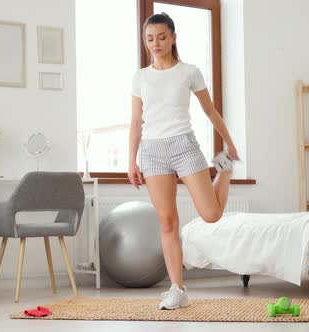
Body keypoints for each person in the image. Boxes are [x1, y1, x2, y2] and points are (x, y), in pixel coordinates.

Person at [128, 13, 239, 310]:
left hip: (183, 145)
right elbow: (136, 121)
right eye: (150, 39)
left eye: (162, 37)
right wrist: (132, 161)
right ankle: (177, 289)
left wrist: (228, 144)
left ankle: (224, 167)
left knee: (211, 215)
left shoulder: (189, 72)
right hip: (152, 152)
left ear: (174, 37)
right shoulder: (141, 77)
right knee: (167, 222)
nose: (156, 44)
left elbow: (210, 111)